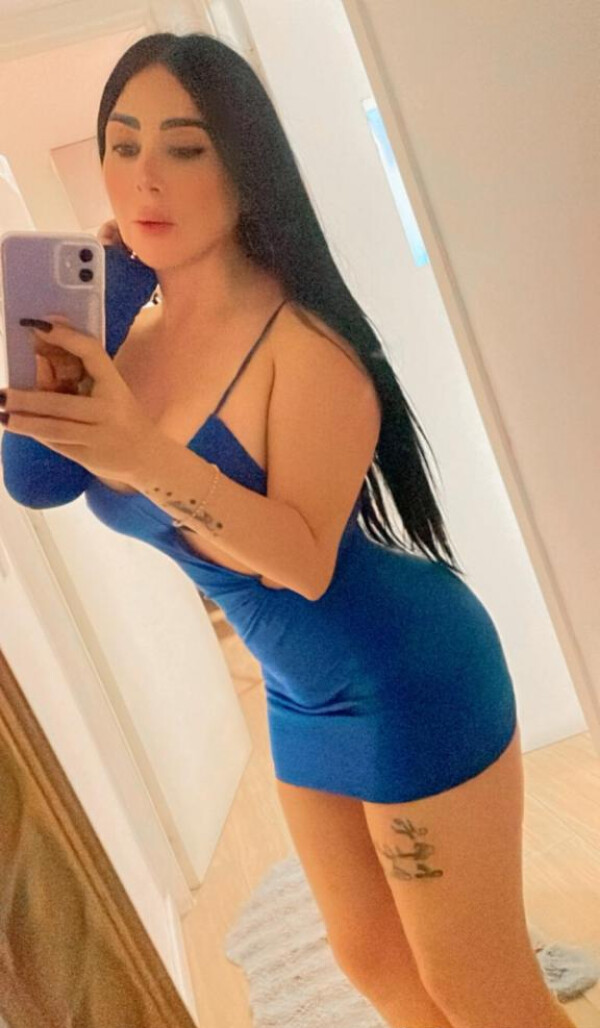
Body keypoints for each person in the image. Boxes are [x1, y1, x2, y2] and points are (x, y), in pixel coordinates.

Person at [0, 33, 576, 1028]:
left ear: (244, 165)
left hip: (408, 674)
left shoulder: (306, 346)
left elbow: (302, 563)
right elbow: (36, 478)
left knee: (477, 984)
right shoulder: (132, 342)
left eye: (185, 147)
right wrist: (117, 293)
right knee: (374, 964)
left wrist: (144, 454)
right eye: (122, 144)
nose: (145, 175)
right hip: (299, 691)